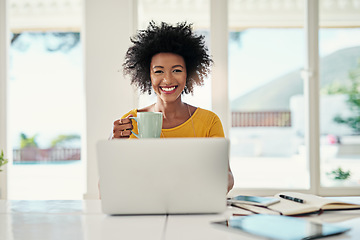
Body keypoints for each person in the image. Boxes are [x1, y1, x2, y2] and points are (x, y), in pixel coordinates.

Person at [111, 21, 234, 192]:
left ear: (188, 73)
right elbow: (107, 189)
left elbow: (227, 178)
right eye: (159, 71)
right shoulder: (131, 122)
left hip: (194, 207)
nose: (168, 80)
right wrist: (113, 146)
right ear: (148, 75)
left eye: (176, 70)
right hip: (145, 210)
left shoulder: (208, 121)